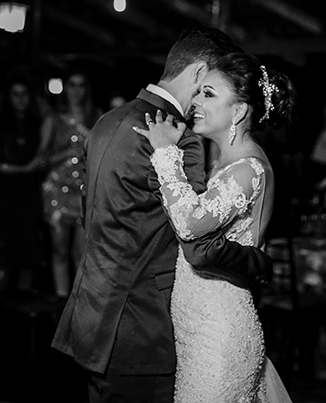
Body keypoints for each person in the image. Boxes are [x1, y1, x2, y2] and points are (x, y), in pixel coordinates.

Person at [52, 27, 272, 403]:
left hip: (91, 316)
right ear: (200, 73)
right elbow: (199, 245)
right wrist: (258, 263)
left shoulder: (107, 120)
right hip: (142, 326)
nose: (203, 99)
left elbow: (92, 216)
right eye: (210, 84)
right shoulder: (175, 137)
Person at [136, 53, 296, 403]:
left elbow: (190, 223)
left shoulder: (248, 169)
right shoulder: (226, 161)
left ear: (238, 111)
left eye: (207, 94)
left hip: (219, 336)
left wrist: (165, 153)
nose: (194, 101)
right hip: (197, 329)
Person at [41, 71, 102, 296]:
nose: (77, 91)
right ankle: (60, 300)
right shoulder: (54, 119)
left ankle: (78, 304)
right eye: (72, 85)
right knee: (59, 249)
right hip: (58, 190)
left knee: (82, 252)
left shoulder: (97, 117)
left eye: (81, 85)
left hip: (85, 191)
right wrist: (68, 151)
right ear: (65, 88)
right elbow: (42, 159)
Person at [0, 77, 47, 292]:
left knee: (28, 253)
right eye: (15, 94)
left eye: (24, 94)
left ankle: (23, 309)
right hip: (5, 194)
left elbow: (41, 160)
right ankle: (0, 306)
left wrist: (28, 169)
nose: (20, 100)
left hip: (29, 194)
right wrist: (25, 168)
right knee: (4, 253)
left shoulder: (37, 125)